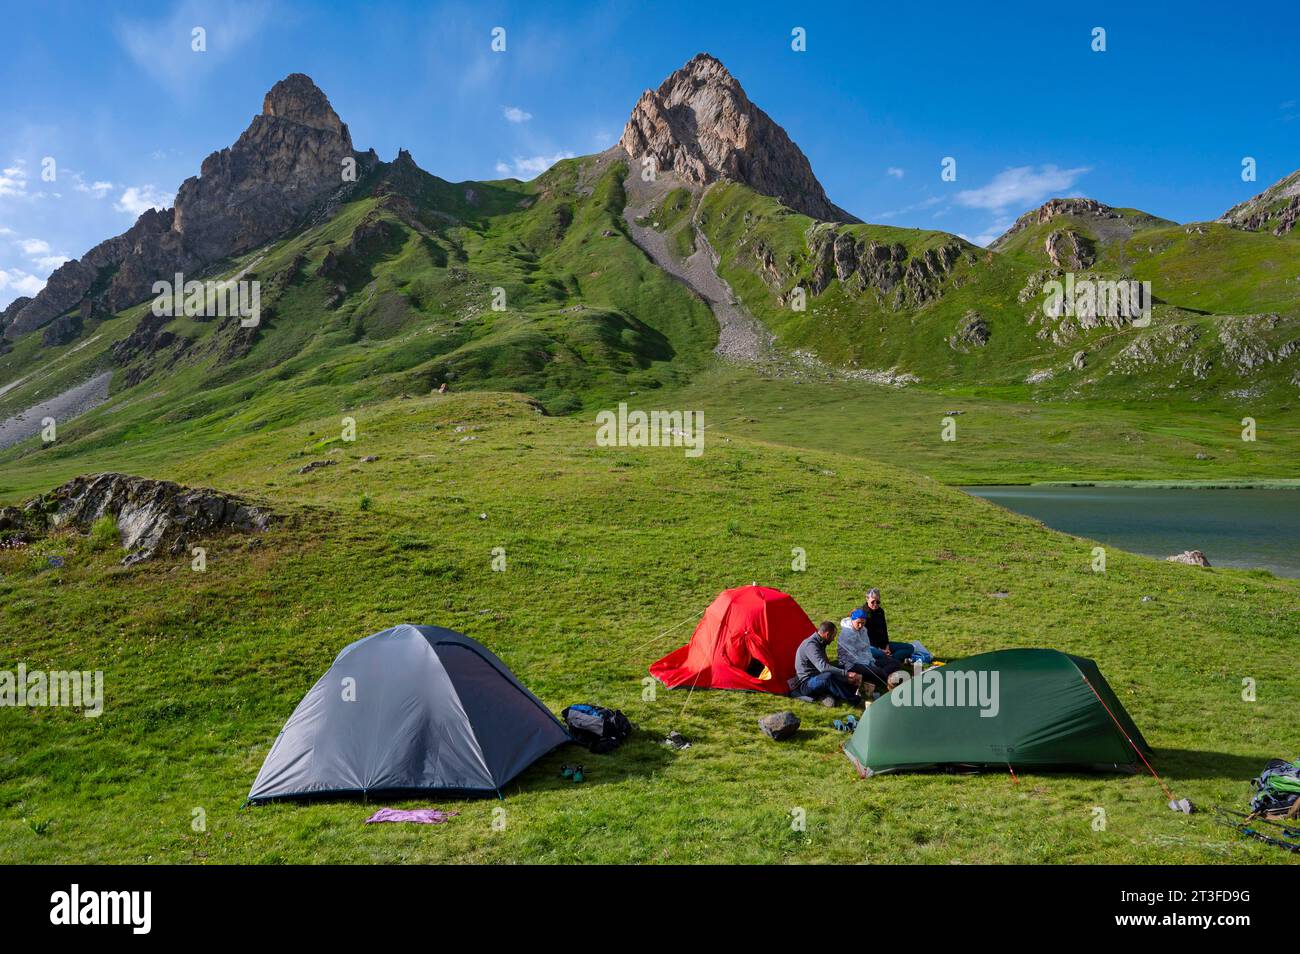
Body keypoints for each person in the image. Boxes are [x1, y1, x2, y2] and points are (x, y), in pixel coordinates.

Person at [789, 621, 862, 707]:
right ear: (827, 635)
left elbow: (827, 665)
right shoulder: (811, 645)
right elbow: (823, 667)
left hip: (818, 676)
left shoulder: (820, 643)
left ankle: (853, 688)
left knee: (844, 667)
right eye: (833, 636)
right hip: (807, 683)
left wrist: (845, 675)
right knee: (828, 677)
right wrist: (846, 674)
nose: (833, 639)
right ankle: (854, 700)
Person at [837, 608, 898, 690]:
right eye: (858, 623)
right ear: (852, 620)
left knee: (895, 662)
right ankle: (889, 681)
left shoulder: (863, 630)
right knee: (878, 671)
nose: (860, 625)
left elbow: (866, 648)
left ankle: (875, 677)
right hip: (851, 664)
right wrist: (869, 664)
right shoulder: (847, 634)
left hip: (866, 659)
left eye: (863, 623)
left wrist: (871, 661)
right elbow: (851, 657)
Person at [860, 588, 915, 663]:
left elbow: (884, 629)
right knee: (877, 654)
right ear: (867, 599)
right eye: (873, 602)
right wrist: (879, 650)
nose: (875, 604)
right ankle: (891, 659)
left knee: (910, 647)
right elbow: (864, 637)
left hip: (884, 644)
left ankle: (890, 659)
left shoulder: (880, 611)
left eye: (878, 602)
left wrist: (887, 646)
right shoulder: (863, 613)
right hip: (872, 647)